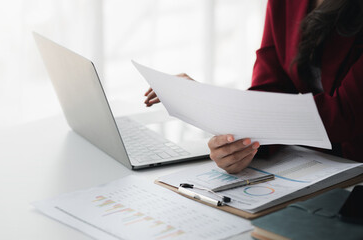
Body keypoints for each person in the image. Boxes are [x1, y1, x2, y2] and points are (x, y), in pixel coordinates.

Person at [144, 0, 363, 173]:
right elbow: (270, 85)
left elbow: (345, 114)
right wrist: (242, 148)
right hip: (314, 164)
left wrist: (220, 106)